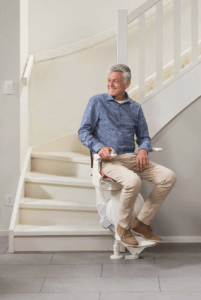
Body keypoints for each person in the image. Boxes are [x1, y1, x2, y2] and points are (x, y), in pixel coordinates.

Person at [78, 64, 176, 247]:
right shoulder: (97, 102)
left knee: (168, 177)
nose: (111, 84)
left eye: (115, 80)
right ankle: (123, 228)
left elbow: (144, 137)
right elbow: (83, 131)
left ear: (127, 83)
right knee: (133, 181)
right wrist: (99, 147)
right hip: (109, 161)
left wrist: (143, 149)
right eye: (109, 80)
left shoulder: (135, 108)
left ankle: (141, 223)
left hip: (131, 159)